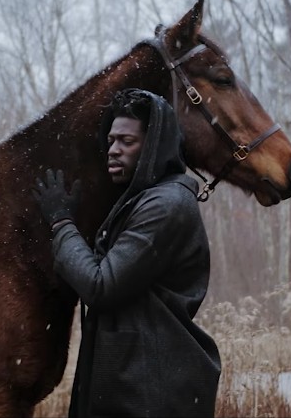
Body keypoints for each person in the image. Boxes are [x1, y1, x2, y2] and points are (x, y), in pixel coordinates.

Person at [33, 89, 221, 417]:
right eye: (111, 141)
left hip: (152, 391)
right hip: (138, 383)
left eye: (126, 141)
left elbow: (100, 286)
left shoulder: (166, 206)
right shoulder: (145, 200)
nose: (113, 151)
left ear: (153, 147)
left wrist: (62, 223)